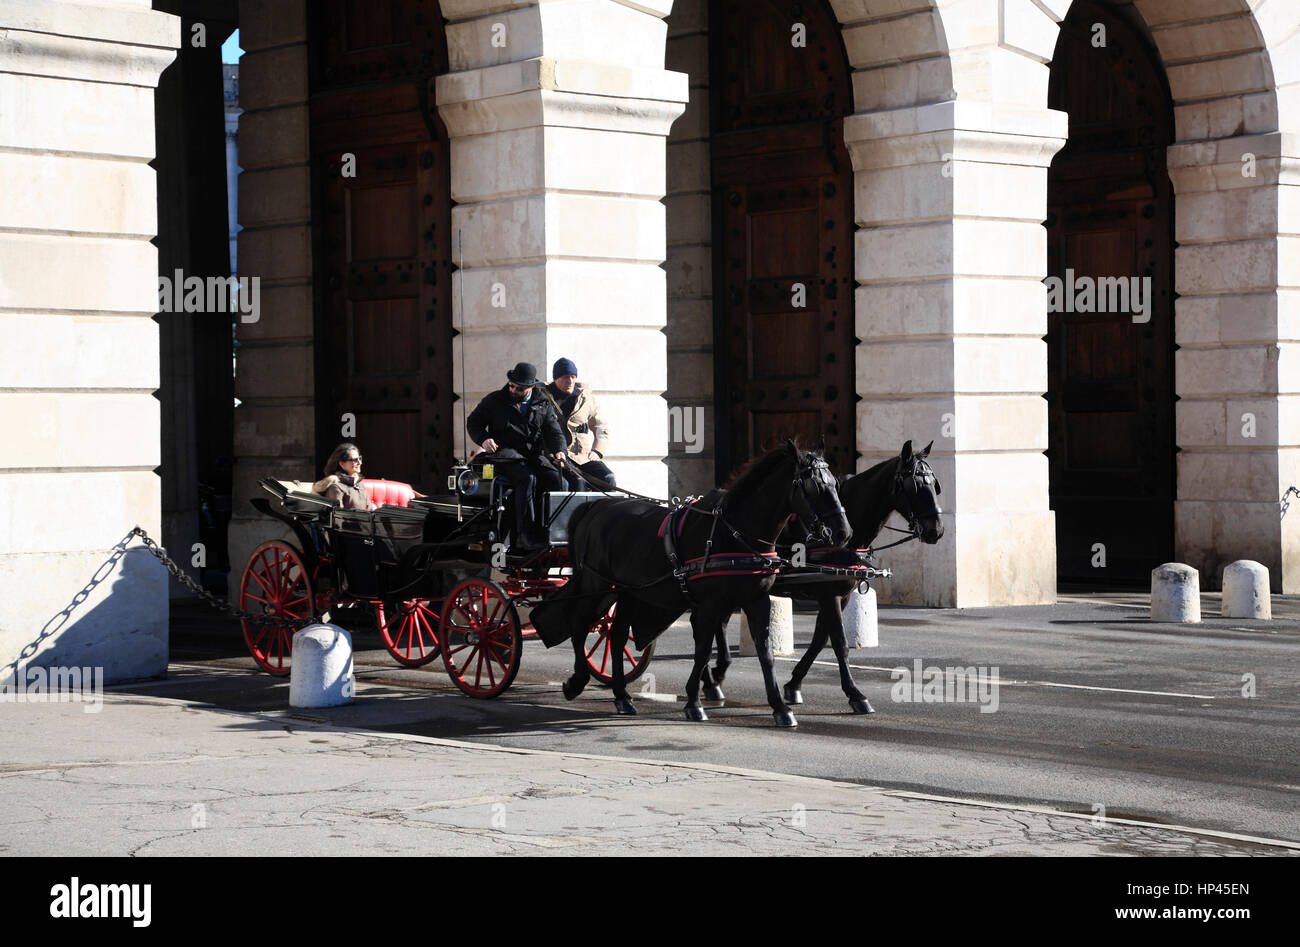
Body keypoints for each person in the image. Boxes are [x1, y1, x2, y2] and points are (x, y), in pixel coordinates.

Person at [466, 361, 567, 550]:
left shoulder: (542, 402)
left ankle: (553, 533)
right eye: (511, 385)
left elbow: (554, 432)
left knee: (558, 481)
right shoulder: (495, 400)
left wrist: (560, 450)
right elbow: (473, 422)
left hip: (531, 453)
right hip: (504, 453)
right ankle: (525, 535)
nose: (512, 390)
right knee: (527, 478)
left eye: (518, 388)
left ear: (530, 387)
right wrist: (484, 439)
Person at [546, 357, 616, 489]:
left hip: (582, 456)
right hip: (556, 457)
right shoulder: (544, 397)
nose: (570, 381)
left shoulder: (585, 398)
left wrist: (597, 451)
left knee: (608, 478)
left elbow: (601, 426)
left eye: (573, 377)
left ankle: (605, 509)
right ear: (556, 378)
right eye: (566, 377)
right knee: (577, 482)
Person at [313, 443, 376, 511]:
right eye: (355, 460)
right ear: (342, 464)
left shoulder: (360, 484)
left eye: (360, 458)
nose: (360, 463)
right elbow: (338, 518)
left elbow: (369, 510)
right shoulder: (336, 487)